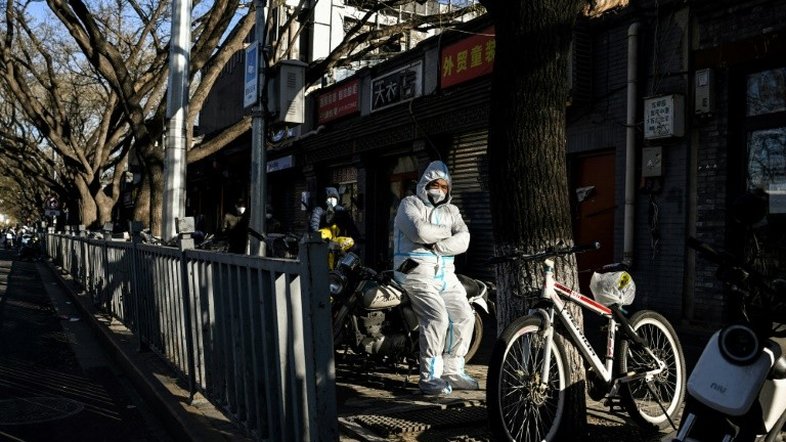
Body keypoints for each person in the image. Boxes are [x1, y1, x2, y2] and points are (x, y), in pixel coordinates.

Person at [392, 160, 478, 396]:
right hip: (415, 273)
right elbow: (418, 231)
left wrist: (437, 245)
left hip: (446, 274)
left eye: (444, 186)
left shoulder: (452, 211)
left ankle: (453, 370)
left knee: (465, 316)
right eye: (435, 184)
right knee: (437, 317)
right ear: (425, 184)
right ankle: (430, 377)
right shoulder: (409, 204)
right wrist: (447, 234)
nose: (439, 189)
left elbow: (464, 240)